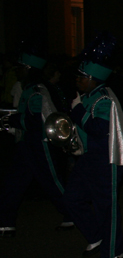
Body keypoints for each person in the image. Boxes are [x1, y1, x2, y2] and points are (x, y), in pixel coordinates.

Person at [62, 34, 123, 258]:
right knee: (71, 199)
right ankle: (96, 237)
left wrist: (77, 112)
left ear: (94, 79)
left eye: (82, 76)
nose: (78, 79)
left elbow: (101, 129)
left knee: (107, 206)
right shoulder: (88, 97)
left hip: (107, 159)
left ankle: (113, 251)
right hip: (89, 158)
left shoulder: (103, 99)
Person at [0, 47, 70, 237]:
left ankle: (74, 214)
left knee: (53, 182)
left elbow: (36, 121)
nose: (17, 70)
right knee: (14, 183)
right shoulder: (30, 89)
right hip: (26, 144)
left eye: (21, 67)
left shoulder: (37, 91)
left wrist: (13, 120)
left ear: (29, 68)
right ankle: (6, 222)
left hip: (39, 144)